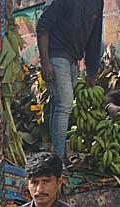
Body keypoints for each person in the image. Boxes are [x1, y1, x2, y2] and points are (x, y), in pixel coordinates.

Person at [37, 0, 103, 158]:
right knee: (64, 104)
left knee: (59, 105)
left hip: (74, 60)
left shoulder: (97, 3)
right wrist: (45, 61)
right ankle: (59, 157)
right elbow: (42, 27)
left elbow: (95, 36)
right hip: (56, 54)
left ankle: (56, 154)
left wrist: (91, 71)